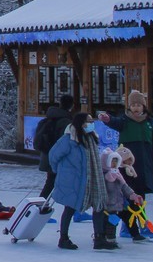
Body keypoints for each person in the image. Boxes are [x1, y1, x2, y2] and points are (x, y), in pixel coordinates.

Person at [98, 90, 153, 235]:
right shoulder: (124, 121)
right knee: (128, 196)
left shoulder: (149, 123)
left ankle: (139, 225)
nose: (136, 108)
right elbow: (114, 122)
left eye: (138, 105)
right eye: (133, 105)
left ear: (144, 106)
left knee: (140, 196)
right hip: (127, 166)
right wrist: (107, 119)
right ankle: (131, 226)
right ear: (129, 107)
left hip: (144, 167)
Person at [49, 113, 109, 250]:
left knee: (99, 204)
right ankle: (63, 238)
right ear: (80, 123)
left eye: (92, 121)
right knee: (70, 207)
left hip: (92, 178)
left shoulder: (92, 137)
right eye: (88, 121)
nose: (91, 124)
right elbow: (53, 156)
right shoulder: (68, 139)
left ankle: (99, 237)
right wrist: (61, 171)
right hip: (72, 179)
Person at [102, 147, 146, 244]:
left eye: (116, 161)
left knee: (127, 217)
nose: (114, 164)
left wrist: (134, 195)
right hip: (109, 204)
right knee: (111, 221)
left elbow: (124, 186)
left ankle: (135, 234)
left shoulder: (118, 173)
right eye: (112, 161)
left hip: (121, 202)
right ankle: (108, 238)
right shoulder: (104, 175)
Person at [36, 94, 74, 198]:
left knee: (50, 182)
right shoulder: (66, 122)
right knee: (61, 183)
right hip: (58, 158)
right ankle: (41, 203)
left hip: (46, 155)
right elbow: (65, 143)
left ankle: (41, 203)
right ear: (72, 106)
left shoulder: (49, 118)